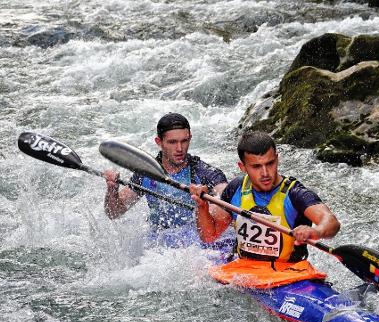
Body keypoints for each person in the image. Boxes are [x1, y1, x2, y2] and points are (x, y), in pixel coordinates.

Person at [189, 130, 341, 288]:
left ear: (277, 159)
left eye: (270, 163)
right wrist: (202, 207)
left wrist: (317, 232)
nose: (265, 173)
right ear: (242, 167)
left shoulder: (295, 193)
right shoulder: (236, 189)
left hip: (287, 277)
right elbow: (209, 235)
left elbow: (331, 222)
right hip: (244, 271)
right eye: (256, 166)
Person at [104, 112, 234, 252]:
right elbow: (114, 213)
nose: (179, 148)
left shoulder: (204, 172)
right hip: (160, 243)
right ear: (159, 142)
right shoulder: (146, 174)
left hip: (198, 244)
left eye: (184, 141)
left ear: (190, 138)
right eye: (172, 142)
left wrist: (216, 205)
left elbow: (226, 194)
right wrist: (112, 189)